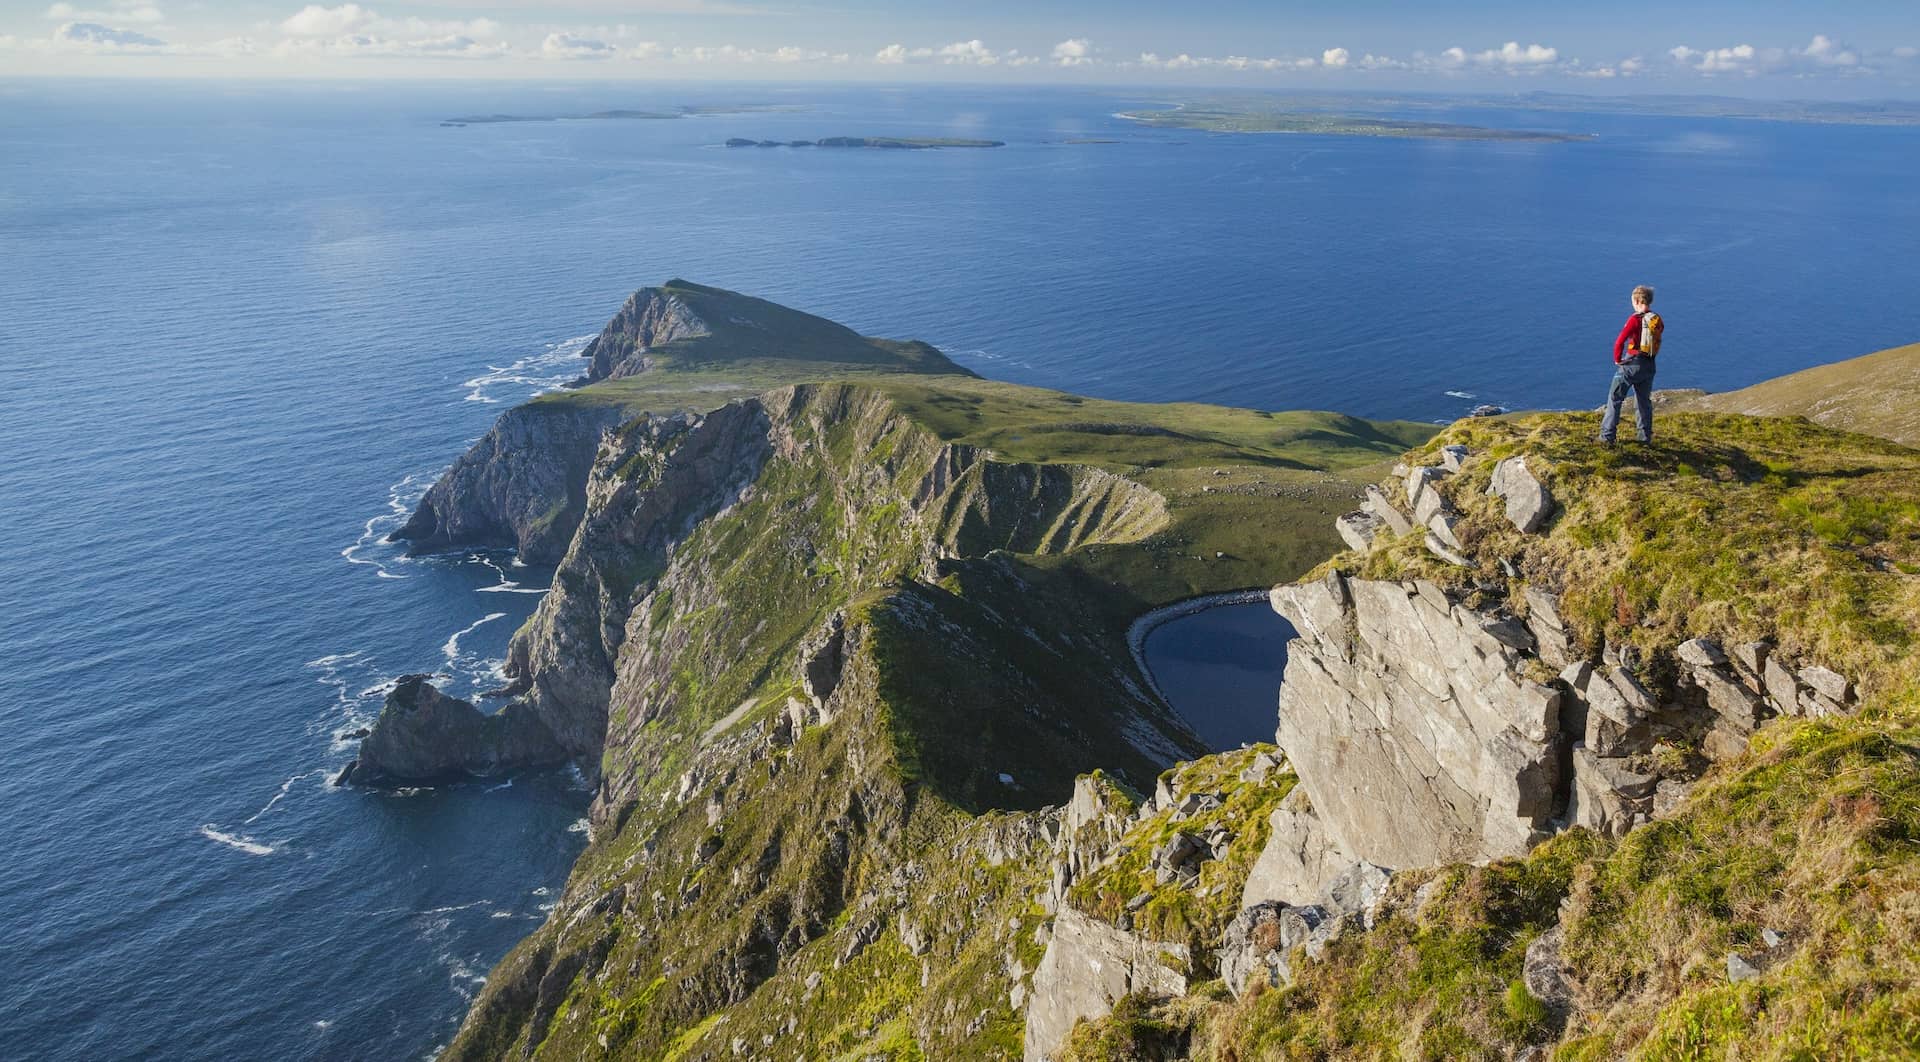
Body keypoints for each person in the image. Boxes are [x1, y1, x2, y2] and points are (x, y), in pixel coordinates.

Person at [1599, 285, 1663, 445]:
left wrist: (1617, 359)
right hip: (1649, 365)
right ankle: (1644, 438)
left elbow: (1620, 340)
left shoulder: (1635, 320)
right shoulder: (1656, 319)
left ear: (1636, 300)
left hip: (1632, 363)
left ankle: (1607, 437)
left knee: (1615, 397)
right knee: (1643, 402)